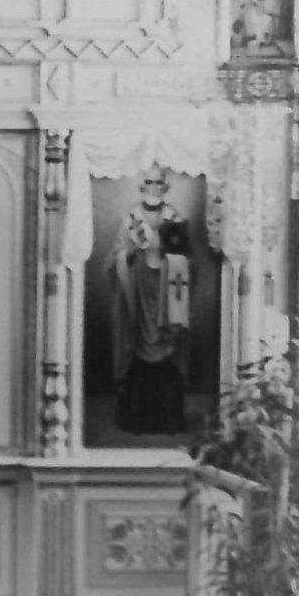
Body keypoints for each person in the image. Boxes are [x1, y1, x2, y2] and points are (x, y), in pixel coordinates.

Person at [110, 166, 193, 435]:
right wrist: (128, 252)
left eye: (159, 183)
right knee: (139, 358)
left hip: (167, 294)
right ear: (141, 186)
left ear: (166, 187)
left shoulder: (175, 218)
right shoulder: (131, 219)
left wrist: (177, 259)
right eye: (149, 182)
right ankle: (138, 417)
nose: (154, 187)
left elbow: (188, 260)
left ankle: (168, 418)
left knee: (168, 357)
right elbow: (115, 260)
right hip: (139, 293)